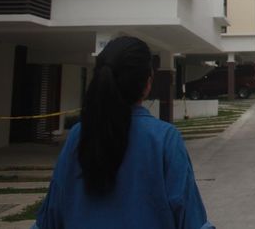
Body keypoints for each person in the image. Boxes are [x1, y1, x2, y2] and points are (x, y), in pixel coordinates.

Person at [32, 36, 214, 229]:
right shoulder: (164, 140)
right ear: (148, 83)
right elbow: (192, 220)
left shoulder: (78, 135)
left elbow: (49, 219)